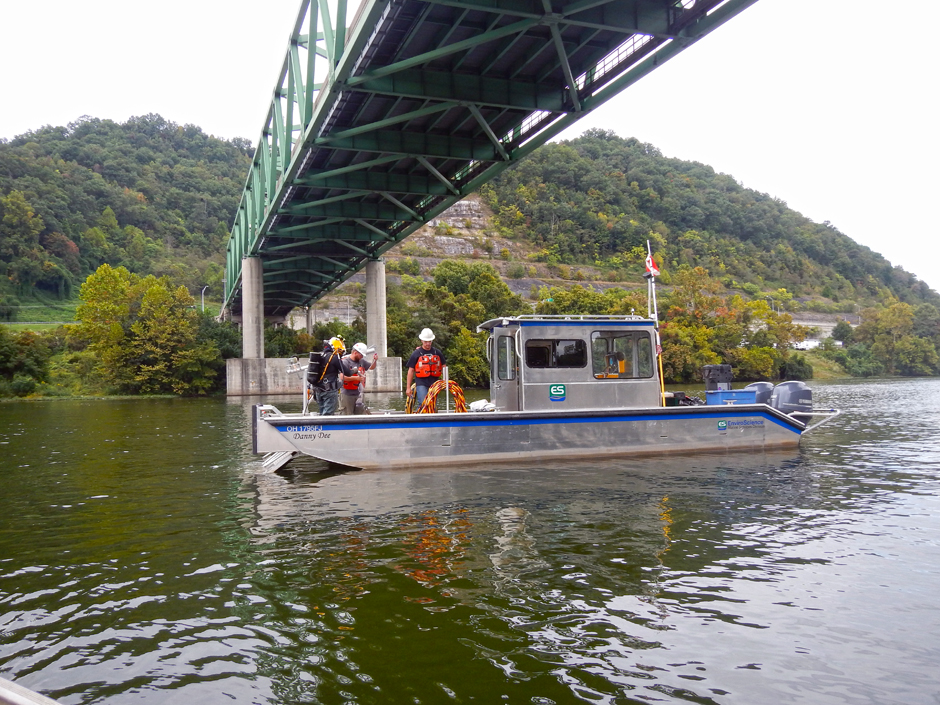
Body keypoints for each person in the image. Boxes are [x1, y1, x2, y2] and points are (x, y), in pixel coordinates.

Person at [406, 328, 447, 411]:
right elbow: (411, 370)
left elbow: (444, 366)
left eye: (429, 341)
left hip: (434, 383)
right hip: (421, 382)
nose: (428, 343)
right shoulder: (416, 353)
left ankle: (434, 421)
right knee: (423, 403)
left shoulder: (437, 352)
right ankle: (419, 420)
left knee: (433, 404)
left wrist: (445, 381)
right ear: (421, 340)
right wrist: (408, 387)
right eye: (426, 342)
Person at [339, 342, 373, 415]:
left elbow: (372, 367)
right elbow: (342, 377)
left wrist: (375, 360)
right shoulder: (345, 362)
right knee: (347, 414)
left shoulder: (362, 362)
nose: (362, 357)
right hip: (346, 394)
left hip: (358, 394)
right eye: (361, 355)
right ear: (355, 352)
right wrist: (356, 378)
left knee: (360, 414)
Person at [313, 336, 344, 416]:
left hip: (319, 391)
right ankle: (325, 427)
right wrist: (355, 370)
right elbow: (346, 371)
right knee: (328, 414)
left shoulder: (321, 356)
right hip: (329, 390)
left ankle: (321, 426)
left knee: (322, 411)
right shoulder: (333, 358)